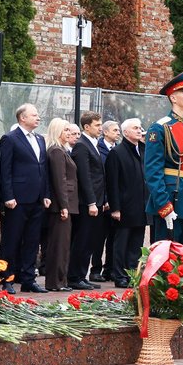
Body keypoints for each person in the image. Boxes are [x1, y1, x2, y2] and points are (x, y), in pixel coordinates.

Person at [146, 73, 183, 250]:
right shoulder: (160, 127)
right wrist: (164, 205)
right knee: (166, 255)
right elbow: (153, 172)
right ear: (173, 97)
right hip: (171, 198)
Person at [0, 103, 50, 292]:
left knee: (32, 240)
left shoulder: (40, 139)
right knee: (11, 240)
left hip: (36, 199)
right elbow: (5, 170)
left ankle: (28, 279)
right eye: (34, 115)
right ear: (22, 118)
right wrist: (8, 196)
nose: (38, 118)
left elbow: (43, 168)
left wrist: (46, 194)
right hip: (17, 199)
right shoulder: (10, 138)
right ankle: (6, 279)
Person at [104, 119, 148, 286]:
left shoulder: (143, 150)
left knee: (137, 243)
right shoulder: (117, 153)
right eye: (135, 128)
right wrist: (115, 208)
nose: (139, 130)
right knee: (121, 243)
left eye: (140, 128)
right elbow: (112, 183)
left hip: (141, 205)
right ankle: (119, 275)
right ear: (126, 132)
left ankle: (132, 274)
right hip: (124, 206)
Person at [70, 111, 110, 288]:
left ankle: (82, 275)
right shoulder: (81, 145)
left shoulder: (92, 143)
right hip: (87, 202)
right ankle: (74, 277)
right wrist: (92, 202)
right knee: (82, 239)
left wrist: (103, 199)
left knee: (90, 240)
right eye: (97, 125)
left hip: (97, 200)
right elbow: (85, 176)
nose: (100, 128)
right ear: (86, 127)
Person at [42, 119, 80, 291]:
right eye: (65, 130)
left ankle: (60, 281)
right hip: (60, 205)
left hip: (65, 203)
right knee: (59, 245)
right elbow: (59, 180)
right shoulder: (56, 151)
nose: (69, 133)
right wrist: (64, 206)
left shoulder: (61, 150)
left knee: (63, 244)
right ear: (57, 131)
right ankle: (55, 282)